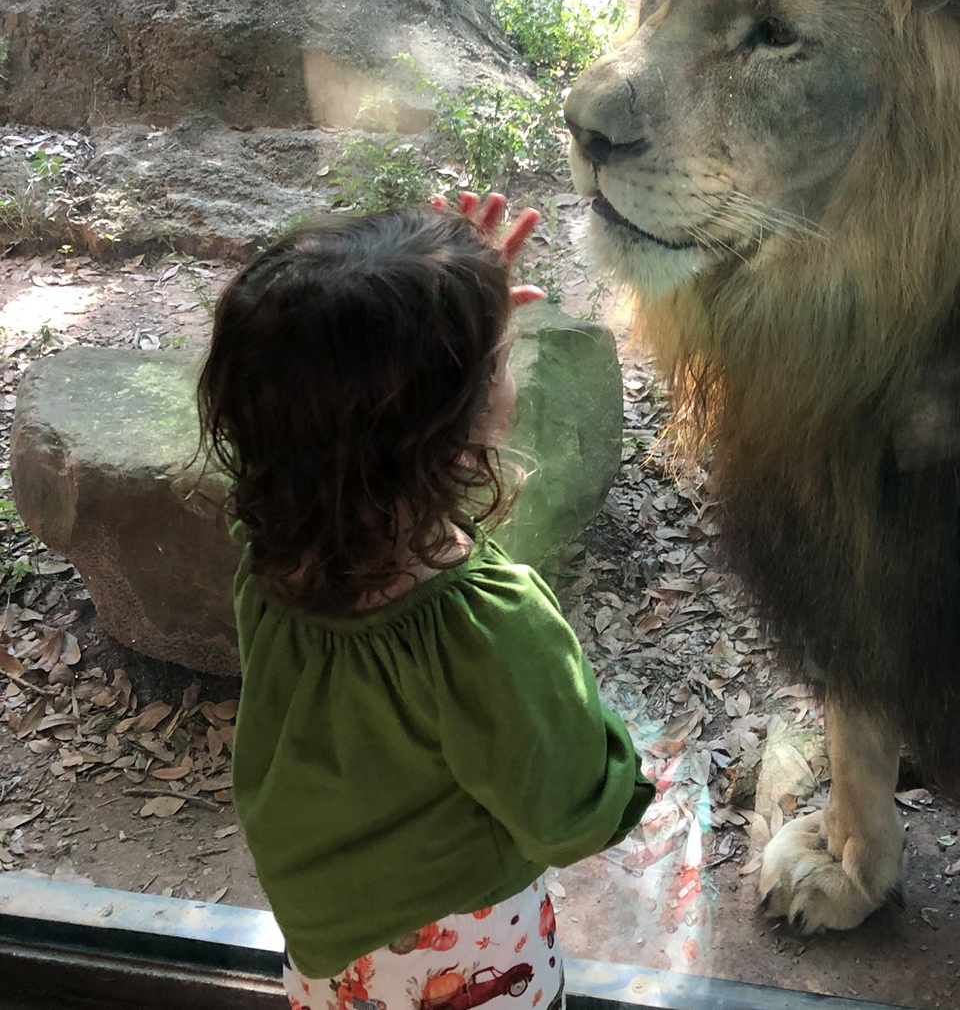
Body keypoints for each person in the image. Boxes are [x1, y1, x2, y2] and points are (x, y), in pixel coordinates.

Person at [197, 193, 653, 1010]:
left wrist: (451, 317)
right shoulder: (483, 626)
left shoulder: (268, 561)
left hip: (331, 957)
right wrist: (622, 771)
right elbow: (571, 814)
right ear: (462, 415)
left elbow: (343, 382)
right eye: (500, 363)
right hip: (470, 961)